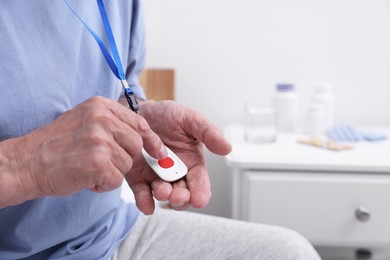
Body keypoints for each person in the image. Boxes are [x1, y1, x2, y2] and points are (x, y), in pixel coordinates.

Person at [0, 1, 321, 259]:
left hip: (106, 235)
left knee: (289, 251)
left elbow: (121, 86)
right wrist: (26, 165)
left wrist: (135, 117)